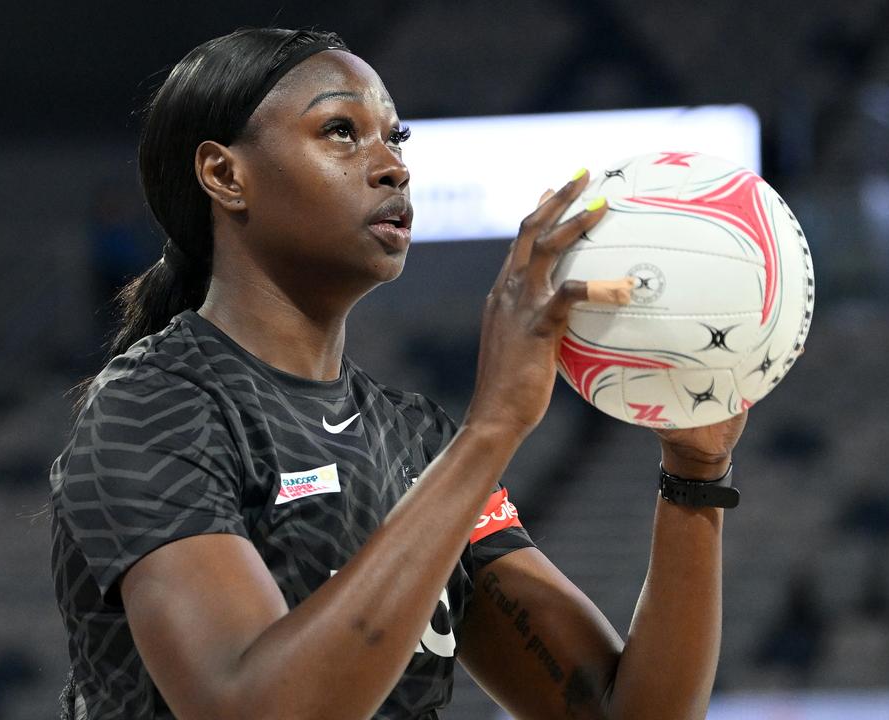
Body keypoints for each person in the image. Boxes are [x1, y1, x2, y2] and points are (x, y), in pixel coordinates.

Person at [48, 28, 748, 720]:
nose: (393, 165)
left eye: (396, 136)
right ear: (226, 176)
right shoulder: (150, 406)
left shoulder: (413, 440)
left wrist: (694, 473)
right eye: (341, 132)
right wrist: (493, 426)